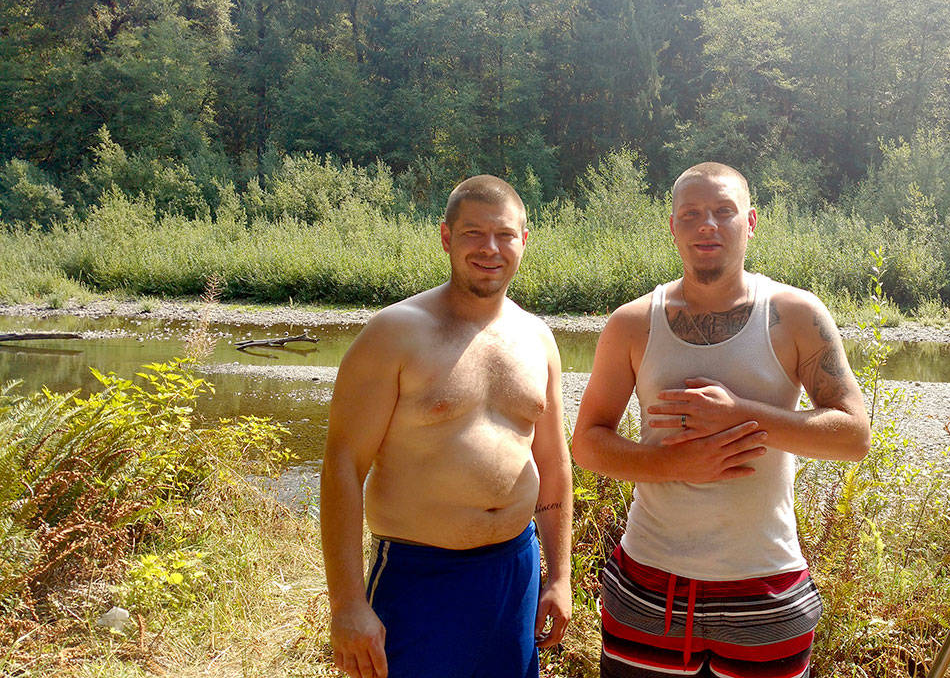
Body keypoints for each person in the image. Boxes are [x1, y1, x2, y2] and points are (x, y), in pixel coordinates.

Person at [571, 162, 871, 678]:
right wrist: (675, 463)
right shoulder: (632, 323)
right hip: (650, 588)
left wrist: (741, 415)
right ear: (673, 227)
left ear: (750, 221)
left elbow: (853, 436)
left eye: (723, 211)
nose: (707, 224)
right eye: (691, 214)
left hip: (766, 589)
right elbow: (587, 442)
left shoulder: (797, 315)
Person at [320, 175, 572, 678]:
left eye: (504, 234)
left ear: (525, 240)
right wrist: (347, 603)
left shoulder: (537, 338)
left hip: (514, 570)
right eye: (473, 233)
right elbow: (343, 467)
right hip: (420, 576)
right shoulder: (395, 333)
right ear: (445, 237)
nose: (490, 248)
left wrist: (559, 575)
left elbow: (551, 459)